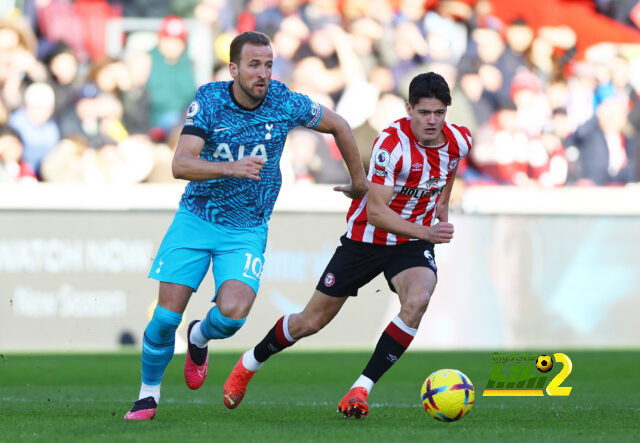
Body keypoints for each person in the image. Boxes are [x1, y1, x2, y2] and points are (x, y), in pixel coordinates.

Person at [124, 30, 368, 420]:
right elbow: (180, 163)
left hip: (246, 228)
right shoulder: (209, 99)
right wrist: (230, 168)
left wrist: (359, 182)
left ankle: (199, 336)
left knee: (233, 315)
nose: (263, 73)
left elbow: (339, 124)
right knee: (166, 317)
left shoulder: (284, 101)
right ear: (234, 68)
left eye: (269, 65)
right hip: (197, 217)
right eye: (254, 65)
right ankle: (148, 394)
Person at [222, 71, 472, 418]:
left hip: (410, 243)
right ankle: (251, 361)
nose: (432, 121)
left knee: (418, 299)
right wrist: (427, 232)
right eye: (424, 113)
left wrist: (441, 209)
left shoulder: (459, 140)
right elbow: (376, 213)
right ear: (408, 109)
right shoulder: (391, 144)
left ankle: (361, 388)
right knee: (309, 322)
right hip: (366, 239)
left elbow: (447, 173)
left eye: (439, 113)